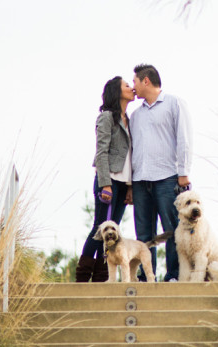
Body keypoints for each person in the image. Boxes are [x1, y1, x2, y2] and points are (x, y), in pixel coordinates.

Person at [130, 63, 191, 281]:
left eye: (135, 81)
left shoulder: (174, 103)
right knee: (144, 234)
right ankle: (148, 276)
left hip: (167, 178)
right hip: (140, 182)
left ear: (146, 80)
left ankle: (173, 275)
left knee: (172, 229)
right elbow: (132, 151)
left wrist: (183, 173)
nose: (133, 86)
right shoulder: (135, 115)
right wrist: (130, 184)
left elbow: (184, 139)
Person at [75, 76, 135, 282]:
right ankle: (83, 275)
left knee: (114, 229)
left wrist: (129, 187)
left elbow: (129, 157)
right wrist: (106, 184)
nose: (132, 88)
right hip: (107, 180)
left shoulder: (129, 120)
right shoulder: (107, 117)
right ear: (116, 92)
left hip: (123, 182)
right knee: (99, 227)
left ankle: (101, 275)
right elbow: (101, 152)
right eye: (127, 85)